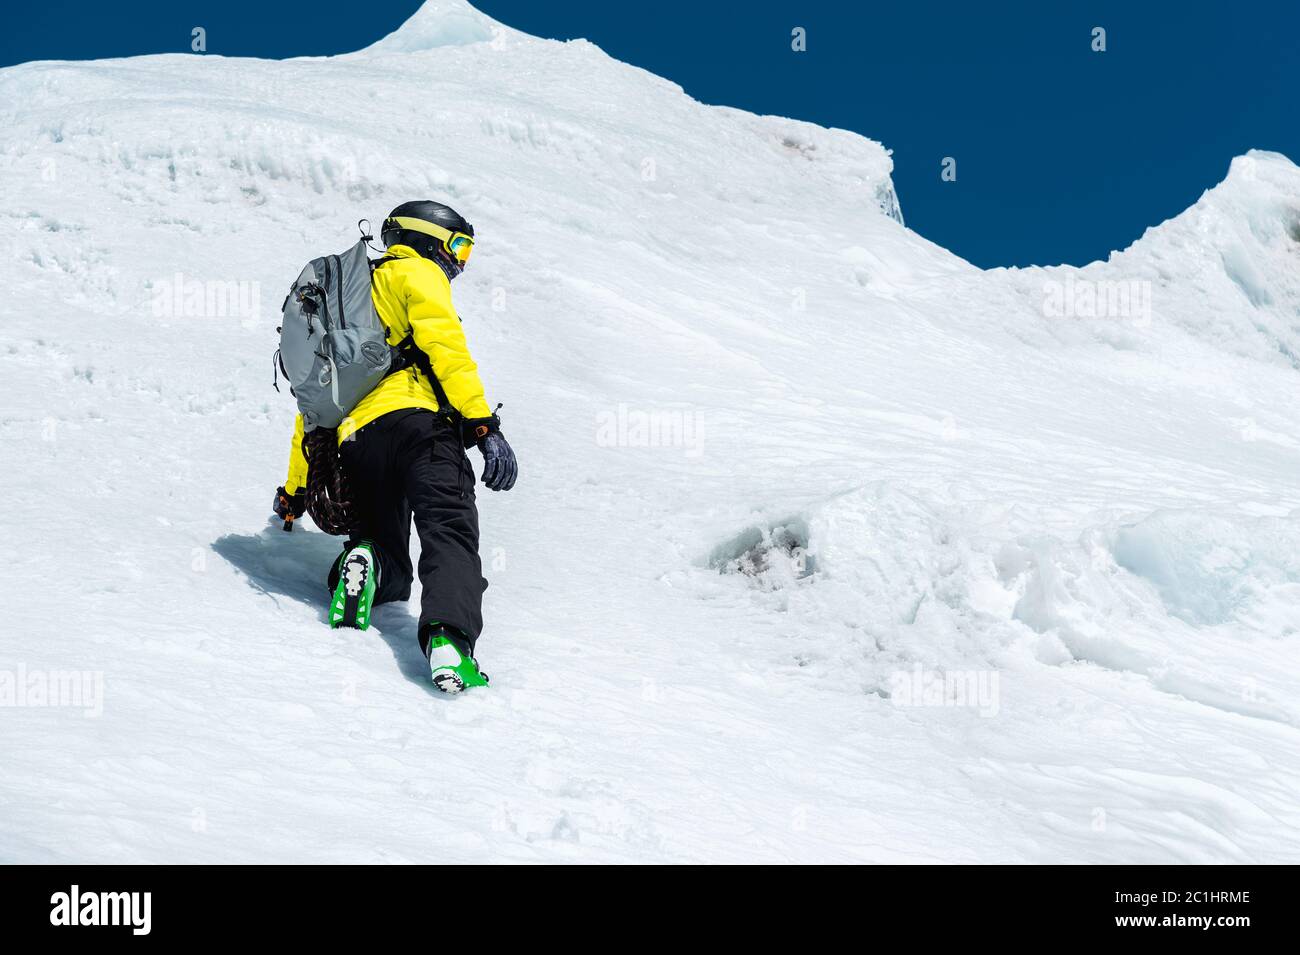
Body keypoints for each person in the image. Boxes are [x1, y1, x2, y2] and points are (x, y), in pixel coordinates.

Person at [273, 200, 517, 693]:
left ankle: (362, 559)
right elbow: (449, 351)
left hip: (356, 443)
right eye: (459, 246)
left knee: (391, 563)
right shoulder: (417, 273)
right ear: (430, 238)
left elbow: (313, 409)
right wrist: (484, 427)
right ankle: (450, 642)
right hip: (420, 428)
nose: (461, 262)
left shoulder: (349, 300)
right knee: (448, 531)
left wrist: (295, 492)